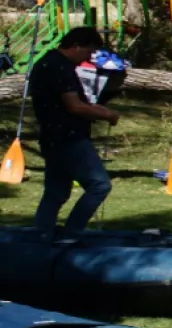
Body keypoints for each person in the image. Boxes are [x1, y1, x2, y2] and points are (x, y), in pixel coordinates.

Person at [31, 27, 119, 238]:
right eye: (88, 52)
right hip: (68, 138)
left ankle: (39, 237)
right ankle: (70, 234)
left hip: (51, 137)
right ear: (76, 45)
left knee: (56, 192)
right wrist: (105, 114)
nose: (88, 58)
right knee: (99, 185)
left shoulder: (46, 62)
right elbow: (75, 106)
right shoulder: (60, 67)